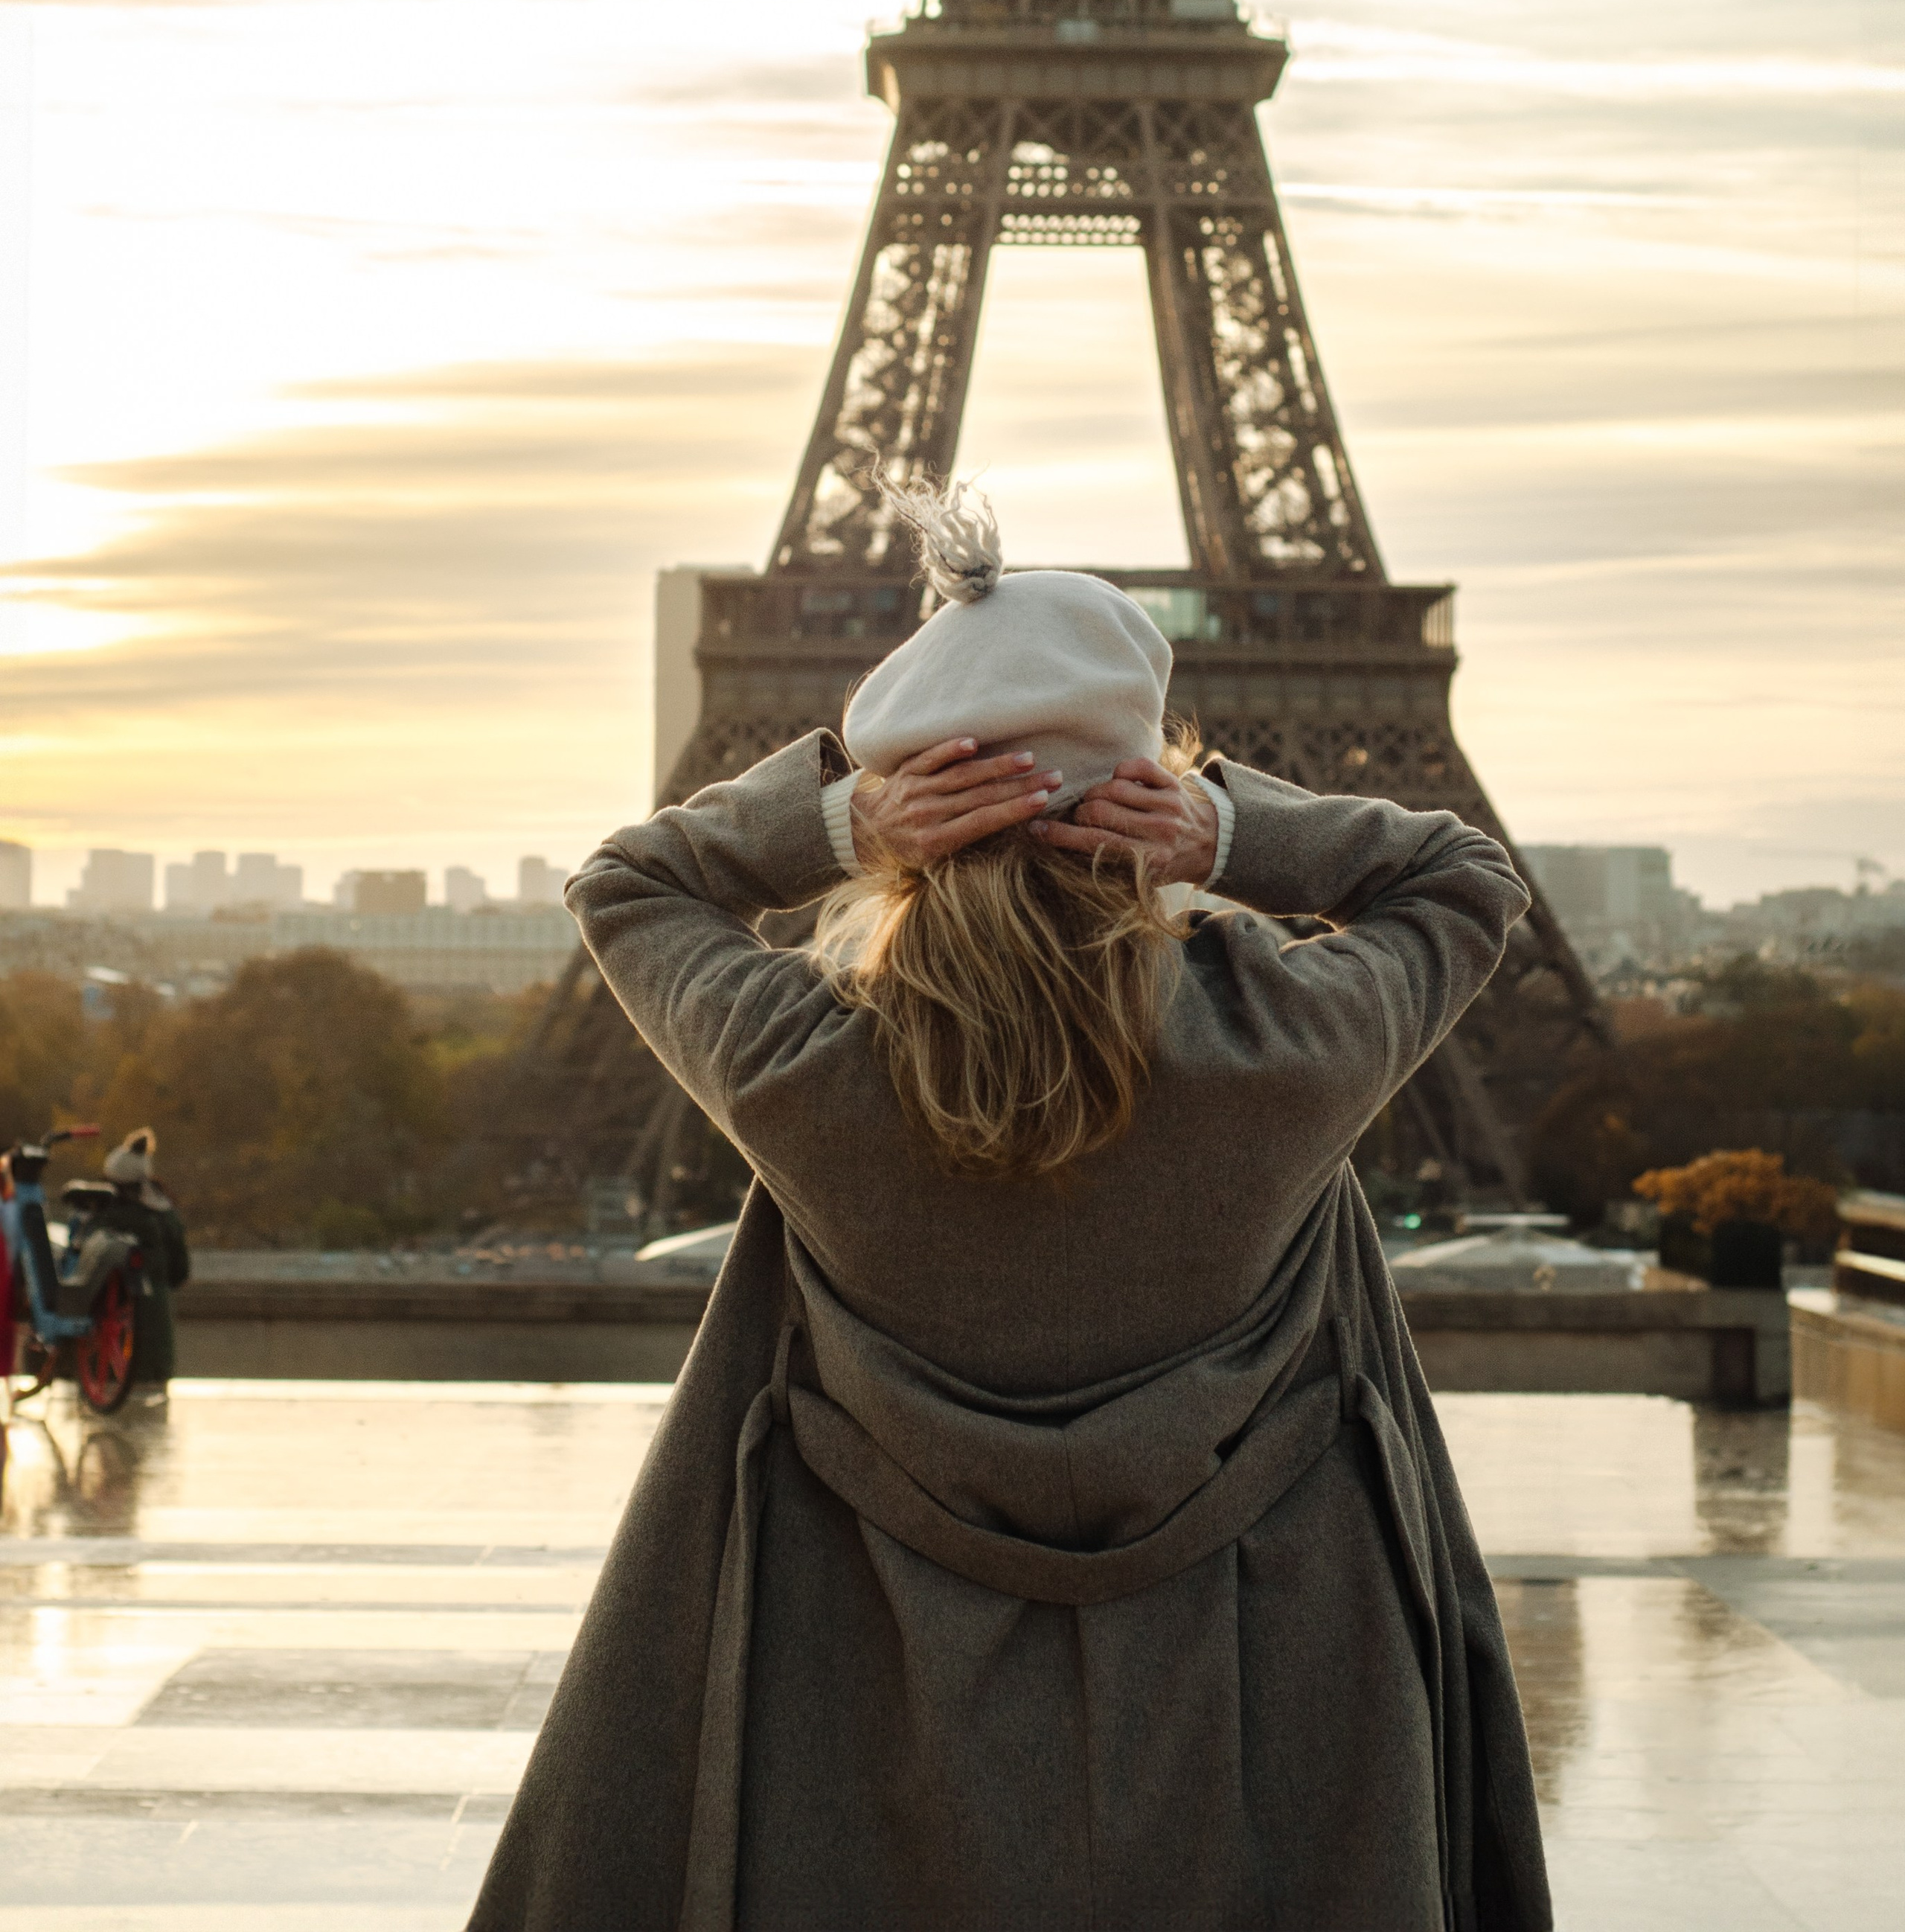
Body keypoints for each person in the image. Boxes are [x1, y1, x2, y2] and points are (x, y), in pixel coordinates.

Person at [470, 481, 1551, 1932]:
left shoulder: (802, 1065)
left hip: (873, 1723)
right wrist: (1227, 830)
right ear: (1139, 791)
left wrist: (841, 819)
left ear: (917, 812)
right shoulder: (1287, 1048)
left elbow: (629, 881)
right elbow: (1460, 878)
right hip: (1252, 1696)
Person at [103, 1127, 191, 1389]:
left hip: (114, 1350)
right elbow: (180, 1270)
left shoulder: (106, 1216)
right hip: (157, 1343)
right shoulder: (165, 1212)